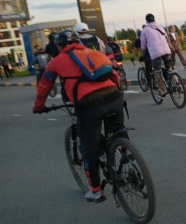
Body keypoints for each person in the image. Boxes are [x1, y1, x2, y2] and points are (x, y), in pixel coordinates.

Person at [33, 30, 125, 203]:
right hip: (114, 97)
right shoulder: (94, 53)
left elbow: (45, 85)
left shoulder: (56, 62)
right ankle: (126, 154)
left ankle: (96, 191)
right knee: (117, 130)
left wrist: (39, 106)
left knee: (88, 147)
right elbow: (113, 74)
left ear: (59, 46)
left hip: (89, 105)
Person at [140, 14, 174, 95]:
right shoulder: (160, 27)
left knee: (157, 71)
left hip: (155, 53)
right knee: (169, 68)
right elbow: (167, 38)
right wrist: (169, 46)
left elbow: (143, 45)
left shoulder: (145, 30)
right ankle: (177, 82)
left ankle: (162, 90)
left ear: (146, 21)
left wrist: (143, 55)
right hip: (166, 50)